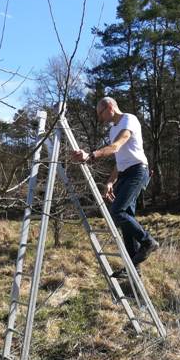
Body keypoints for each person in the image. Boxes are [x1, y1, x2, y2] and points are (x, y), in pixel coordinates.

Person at [72, 97, 159, 271]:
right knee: (127, 221)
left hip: (138, 171)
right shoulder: (112, 131)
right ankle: (134, 269)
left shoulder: (129, 119)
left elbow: (117, 146)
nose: (100, 118)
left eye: (101, 113)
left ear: (110, 107)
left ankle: (148, 241)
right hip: (125, 174)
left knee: (117, 212)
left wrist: (91, 155)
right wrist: (111, 181)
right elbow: (119, 161)